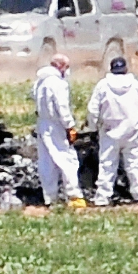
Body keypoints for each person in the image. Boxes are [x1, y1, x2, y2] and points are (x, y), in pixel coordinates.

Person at [87, 56, 138, 206]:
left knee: (107, 164)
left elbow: (92, 109)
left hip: (110, 131)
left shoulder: (103, 86)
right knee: (135, 163)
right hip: (132, 131)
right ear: (126, 69)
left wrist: (92, 127)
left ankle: (102, 197)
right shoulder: (135, 85)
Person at [31, 54, 87, 208]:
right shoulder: (58, 84)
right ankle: (74, 196)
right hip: (55, 125)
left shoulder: (40, 82)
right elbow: (62, 107)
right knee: (67, 159)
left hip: (42, 124)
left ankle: (50, 197)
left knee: (46, 162)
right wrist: (70, 126)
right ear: (61, 66)